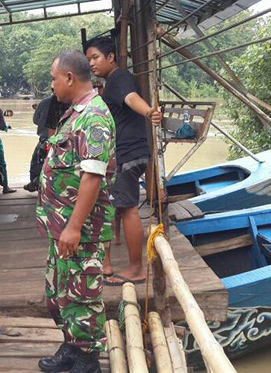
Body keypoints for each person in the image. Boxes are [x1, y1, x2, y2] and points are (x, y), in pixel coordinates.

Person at [36, 51, 116, 373]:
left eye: (54, 78)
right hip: (64, 229)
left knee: (83, 296)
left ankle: (87, 360)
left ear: (69, 78)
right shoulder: (75, 113)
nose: (52, 85)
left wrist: (73, 227)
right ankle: (72, 347)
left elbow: (92, 177)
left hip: (81, 231)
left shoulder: (94, 117)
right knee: (60, 293)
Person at [85, 36, 162, 285]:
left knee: (128, 208)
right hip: (131, 152)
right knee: (118, 205)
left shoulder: (120, 79)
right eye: (88, 60)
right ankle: (111, 265)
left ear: (110, 58)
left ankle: (136, 269)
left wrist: (149, 111)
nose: (91, 64)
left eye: (95, 58)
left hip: (127, 153)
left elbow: (131, 98)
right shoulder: (111, 82)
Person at [24, 93, 70, 192]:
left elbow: (36, 120)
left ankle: (33, 181)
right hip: (64, 140)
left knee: (35, 161)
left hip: (45, 138)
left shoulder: (44, 102)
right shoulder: (70, 103)